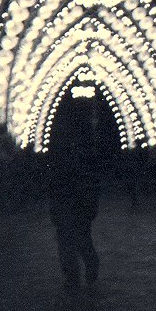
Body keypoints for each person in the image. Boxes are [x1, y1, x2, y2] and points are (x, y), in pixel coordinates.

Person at [44, 103, 102, 290]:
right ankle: (79, 272)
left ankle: (76, 274)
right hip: (72, 196)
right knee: (76, 237)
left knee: (72, 237)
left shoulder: (65, 144)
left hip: (71, 196)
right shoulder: (84, 144)